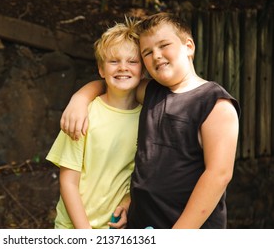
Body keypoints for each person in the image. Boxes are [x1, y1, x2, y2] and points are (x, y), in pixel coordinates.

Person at [60, 12, 241, 229]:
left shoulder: (215, 104)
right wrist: (80, 98)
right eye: (147, 52)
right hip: (141, 225)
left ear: (189, 47)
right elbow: (116, 83)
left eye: (164, 45)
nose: (156, 55)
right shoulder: (151, 92)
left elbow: (218, 175)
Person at [46, 17, 145, 229]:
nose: (123, 67)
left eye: (132, 61)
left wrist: (128, 204)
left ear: (143, 70)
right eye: (114, 61)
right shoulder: (82, 114)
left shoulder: (148, 119)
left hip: (117, 229)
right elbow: (68, 182)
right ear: (101, 69)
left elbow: (140, 176)